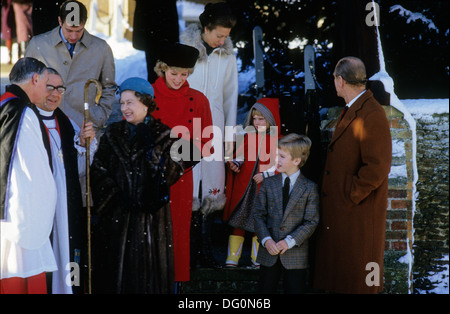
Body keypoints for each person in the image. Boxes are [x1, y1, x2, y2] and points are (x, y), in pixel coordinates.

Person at [91, 77, 187, 293]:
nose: (124, 108)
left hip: (151, 223)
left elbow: (173, 172)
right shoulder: (112, 133)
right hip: (117, 220)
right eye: (122, 103)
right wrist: (117, 197)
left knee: (148, 281)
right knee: (116, 278)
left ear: (146, 103)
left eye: (130, 103)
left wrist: (151, 151)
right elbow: (98, 170)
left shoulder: (165, 134)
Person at [312, 57, 392, 294]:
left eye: (334, 79)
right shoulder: (355, 108)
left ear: (340, 80)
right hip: (345, 211)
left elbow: (378, 166)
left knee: (358, 281)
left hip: (358, 211)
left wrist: (351, 194)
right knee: (342, 277)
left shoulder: (371, 113)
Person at [151, 42, 214, 285]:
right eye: (174, 73)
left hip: (182, 174)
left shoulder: (198, 99)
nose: (178, 79)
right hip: (151, 172)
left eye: (184, 74)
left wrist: (178, 164)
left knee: (178, 229)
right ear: (162, 69)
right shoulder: (149, 95)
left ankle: (176, 285)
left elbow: (206, 140)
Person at [36, 67, 96, 294]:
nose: (55, 94)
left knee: (71, 257)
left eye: (59, 88)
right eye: (50, 87)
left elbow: (81, 171)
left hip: (67, 206)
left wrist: (82, 144)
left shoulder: (67, 122)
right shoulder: (27, 119)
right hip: (43, 208)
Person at [25, 0, 116, 136]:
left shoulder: (101, 48)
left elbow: (109, 87)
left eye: (79, 30)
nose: (73, 36)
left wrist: (98, 117)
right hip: (44, 126)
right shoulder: (38, 44)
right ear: (60, 21)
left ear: (85, 23)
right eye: (69, 30)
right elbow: (25, 84)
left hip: (84, 129)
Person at [181, 2, 238, 216]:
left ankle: (204, 237)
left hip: (215, 126)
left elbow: (230, 98)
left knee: (212, 184)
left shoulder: (228, 57)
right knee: (189, 177)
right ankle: (190, 235)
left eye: (226, 36)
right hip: (188, 126)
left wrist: (229, 139)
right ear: (206, 29)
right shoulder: (186, 51)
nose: (222, 41)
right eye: (219, 35)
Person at [0, 57, 52, 294]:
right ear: (35, 79)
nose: (47, 90)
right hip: (17, 216)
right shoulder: (23, 113)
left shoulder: (3, 104)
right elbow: (33, 174)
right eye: (46, 83)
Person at [253, 133, 319, 294]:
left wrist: (289, 241)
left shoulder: (309, 188)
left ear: (296, 161)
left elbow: (311, 221)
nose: (277, 160)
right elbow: (258, 215)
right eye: (276, 155)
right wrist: (267, 240)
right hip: (268, 253)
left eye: (282, 156)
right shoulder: (268, 184)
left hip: (295, 255)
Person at [223, 98, 281, 268]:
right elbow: (239, 156)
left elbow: (280, 164)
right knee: (238, 219)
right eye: (254, 118)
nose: (257, 122)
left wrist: (266, 174)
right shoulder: (246, 136)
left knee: (260, 222)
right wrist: (235, 163)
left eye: (261, 119)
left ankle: (257, 259)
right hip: (246, 188)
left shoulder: (278, 139)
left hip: (263, 188)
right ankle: (232, 258)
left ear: (270, 119)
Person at [132, 0, 179, 83]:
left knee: (166, 68)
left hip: (164, 26)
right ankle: (155, 91)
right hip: (150, 27)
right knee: (154, 68)